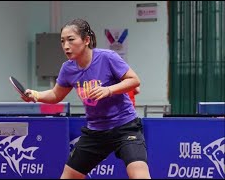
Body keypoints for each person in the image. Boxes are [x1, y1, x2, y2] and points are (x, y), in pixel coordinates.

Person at [20, 18, 151, 179]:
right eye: (62, 41)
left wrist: (108, 90)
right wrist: (36, 95)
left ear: (86, 40)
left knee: (139, 175)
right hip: (95, 132)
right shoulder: (68, 68)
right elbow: (56, 95)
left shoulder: (107, 57)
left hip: (124, 127)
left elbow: (134, 80)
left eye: (71, 40)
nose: (66, 46)